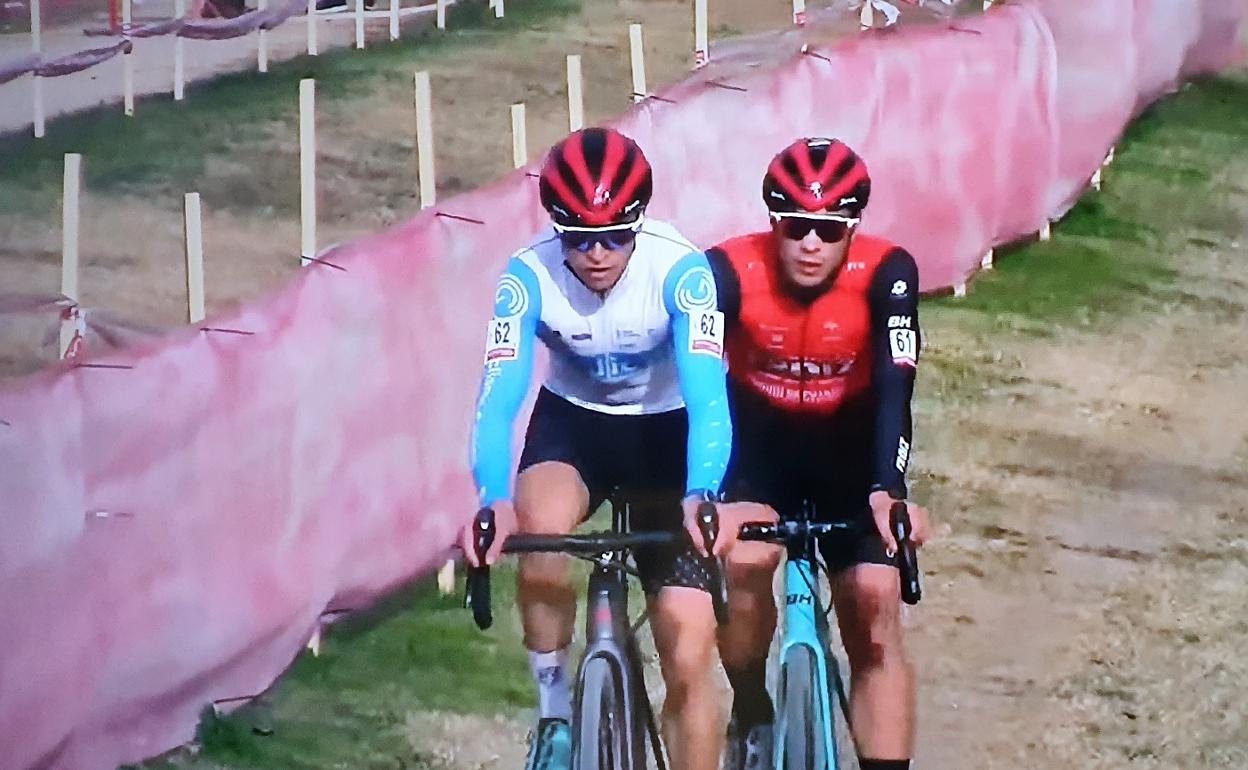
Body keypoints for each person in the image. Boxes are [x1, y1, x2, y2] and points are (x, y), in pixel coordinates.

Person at [460, 127, 734, 770]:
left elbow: (709, 399)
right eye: (579, 238)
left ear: (640, 224)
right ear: (556, 228)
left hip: (669, 434)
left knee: (686, 646)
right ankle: (555, 717)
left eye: (616, 236)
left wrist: (703, 491)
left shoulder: (683, 270)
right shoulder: (525, 276)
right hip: (576, 427)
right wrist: (492, 497)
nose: (597, 254)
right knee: (541, 532)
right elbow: (497, 398)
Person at [704, 137, 931, 770]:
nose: (810, 243)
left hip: (850, 449)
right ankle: (751, 708)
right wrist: (704, 487)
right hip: (760, 441)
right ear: (773, 220)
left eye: (829, 230)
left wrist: (889, 487)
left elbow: (895, 384)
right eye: (796, 225)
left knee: (875, 601)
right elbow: (693, 382)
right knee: (745, 565)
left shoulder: (889, 272)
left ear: (852, 229)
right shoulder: (726, 268)